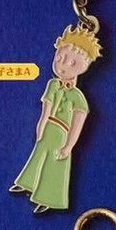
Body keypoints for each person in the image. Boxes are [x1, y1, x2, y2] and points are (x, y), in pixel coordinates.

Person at [11, 26, 100, 215]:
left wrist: (69, 146)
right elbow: (46, 108)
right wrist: (41, 125)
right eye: (60, 58)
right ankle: (27, 183)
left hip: (62, 134)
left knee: (56, 165)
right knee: (37, 155)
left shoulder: (78, 97)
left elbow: (77, 124)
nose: (63, 66)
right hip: (49, 127)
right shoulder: (52, 85)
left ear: (85, 66)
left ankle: (49, 199)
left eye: (71, 62)